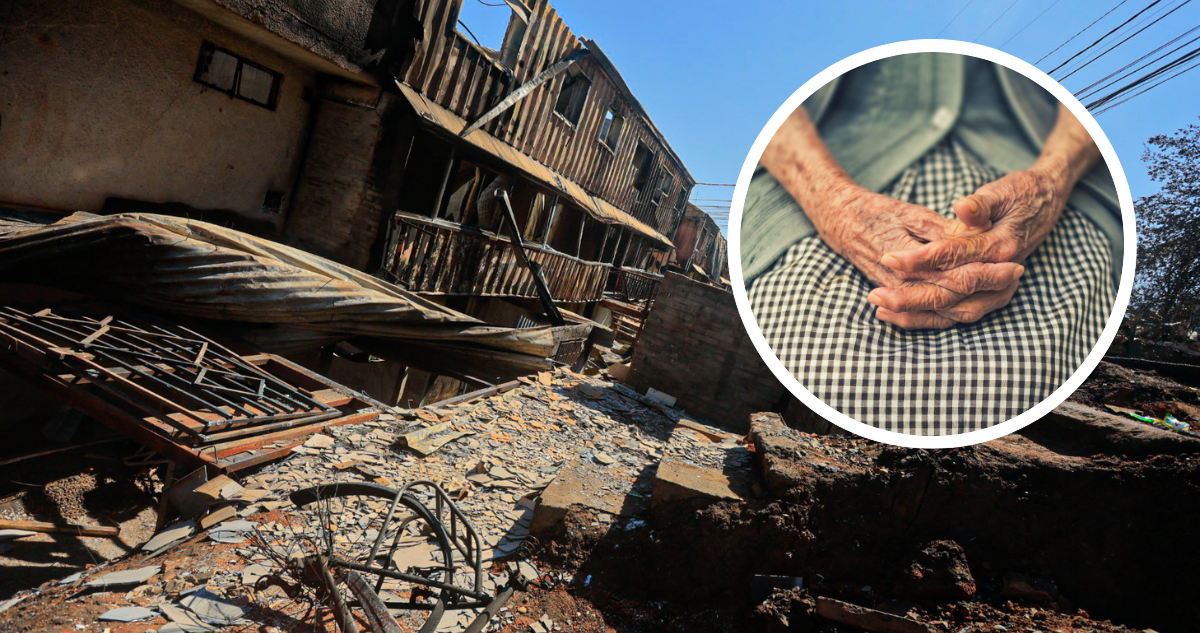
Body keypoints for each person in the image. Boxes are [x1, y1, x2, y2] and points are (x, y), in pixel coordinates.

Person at [741, 53, 1121, 434]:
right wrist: (834, 203)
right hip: (817, 182)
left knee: (1026, 378)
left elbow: (1094, 104)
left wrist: (1052, 181)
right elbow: (765, 106)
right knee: (828, 368)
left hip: (1050, 185)